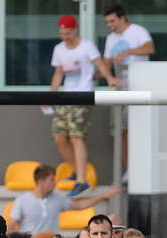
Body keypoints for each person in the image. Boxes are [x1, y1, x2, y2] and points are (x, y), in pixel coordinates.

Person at [49, 15, 120, 197]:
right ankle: (75, 170)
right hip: (65, 97)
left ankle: (81, 180)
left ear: (75, 30)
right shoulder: (59, 49)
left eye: (68, 33)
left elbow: (100, 64)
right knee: (58, 136)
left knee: (76, 136)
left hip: (83, 95)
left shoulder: (86, 46)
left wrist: (109, 77)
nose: (65, 36)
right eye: (62, 33)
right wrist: (51, 94)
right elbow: (58, 73)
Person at [103, 4, 154, 176]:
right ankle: (129, 170)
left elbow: (150, 48)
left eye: (112, 21)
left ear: (122, 17)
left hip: (139, 90)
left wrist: (128, 52)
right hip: (120, 90)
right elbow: (107, 63)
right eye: (107, 22)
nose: (110, 25)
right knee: (120, 131)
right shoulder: (110, 38)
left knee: (136, 131)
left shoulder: (138, 31)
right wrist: (95, 72)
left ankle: (139, 169)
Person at [9, 165, 120, 234]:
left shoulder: (57, 198)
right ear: (40, 181)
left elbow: (79, 205)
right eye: (51, 180)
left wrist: (103, 196)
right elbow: (12, 223)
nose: (55, 183)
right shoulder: (22, 200)